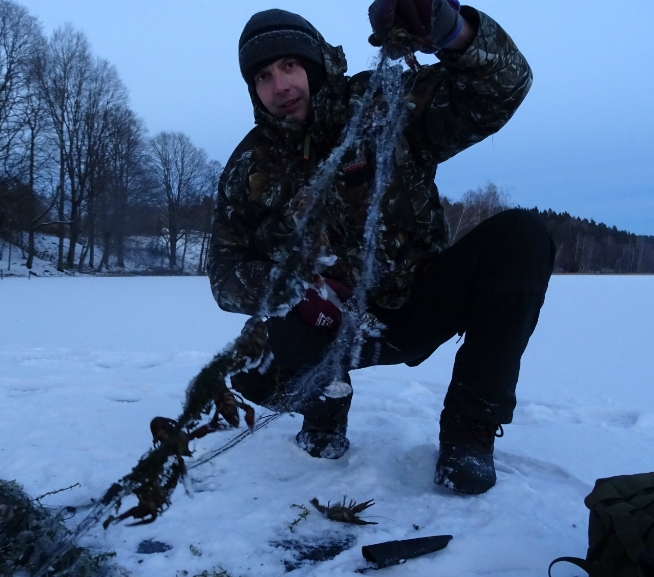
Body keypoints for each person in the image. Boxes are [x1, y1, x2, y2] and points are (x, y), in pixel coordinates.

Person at [207, 0, 554, 495]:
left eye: (289, 66)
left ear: (314, 63)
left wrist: (452, 31)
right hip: (326, 323)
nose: (280, 86)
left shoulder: (381, 101)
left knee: (522, 236)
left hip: (416, 302)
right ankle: (324, 408)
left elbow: (500, 91)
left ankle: (468, 433)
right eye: (263, 76)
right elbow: (224, 272)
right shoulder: (247, 167)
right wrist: (296, 289)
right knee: (250, 366)